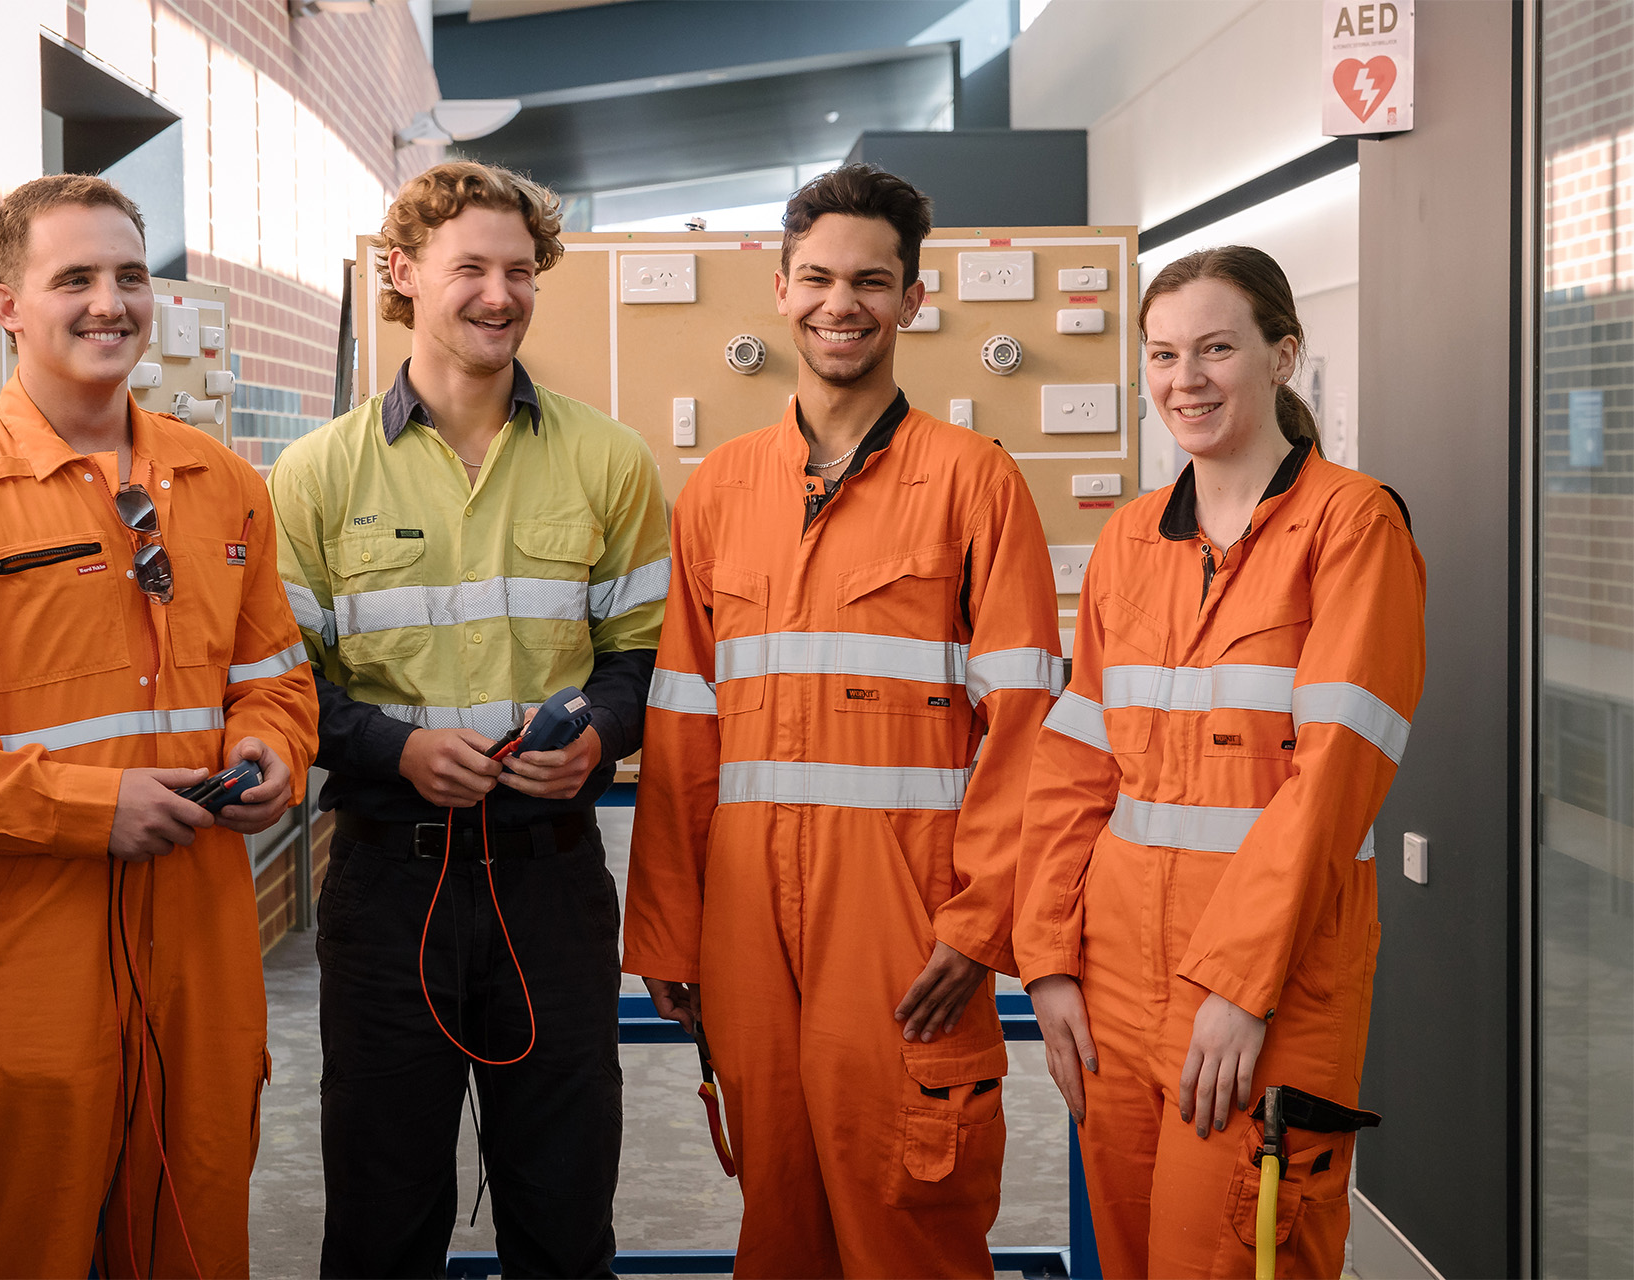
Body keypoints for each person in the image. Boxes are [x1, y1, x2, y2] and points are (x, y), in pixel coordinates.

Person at [0, 174, 318, 1276]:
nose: (111, 302)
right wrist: (91, 808)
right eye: (76, 278)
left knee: (196, 1226)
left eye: (131, 275)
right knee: (31, 1242)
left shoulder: (225, 482)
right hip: (35, 952)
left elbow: (276, 678)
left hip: (201, 943)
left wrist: (270, 751)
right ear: (6, 305)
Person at [624, 164, 1063, 1278]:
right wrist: (672, 927)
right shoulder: (718, 491)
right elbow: (683, 721)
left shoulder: (975, 483)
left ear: (913, 298)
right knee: (776, 1206)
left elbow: (1026, 726)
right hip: (745, 927)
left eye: (872, 280)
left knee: (909, 1199)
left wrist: (978, 923)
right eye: (817, 277)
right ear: (779, 289)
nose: (841, 303)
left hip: (906, 919)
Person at [269, 160, 669, 1279]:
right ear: (402, 274)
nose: (501, 293)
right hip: (389, 887)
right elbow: (282, 687)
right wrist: (394, 747)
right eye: (472, 268)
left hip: (552, 883)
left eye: (521, 270)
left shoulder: (608, 458)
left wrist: (599, 731)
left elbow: (641, 657)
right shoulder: (313, 476)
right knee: (383, 1218)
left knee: (564, 1210)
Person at [1017, 245, 1426, 1279]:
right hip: (1112, 978)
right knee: (1130, 1254)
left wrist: (1242, 985)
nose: (1184, 378)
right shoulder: (1127, 543)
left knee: (1236, 1254)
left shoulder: (1352, 525)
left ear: (1281, 355)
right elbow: (1078, 762)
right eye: (1162, 353)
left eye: (1214, 348)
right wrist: (1049, 956)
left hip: (1265, 987)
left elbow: (1332, 778)